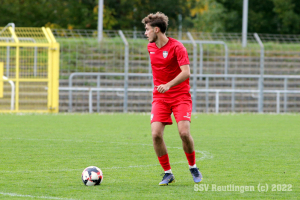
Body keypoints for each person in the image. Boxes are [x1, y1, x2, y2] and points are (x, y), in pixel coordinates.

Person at [142, 12, 203, 186]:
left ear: (156, 29)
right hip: (160, 97)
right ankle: (168, 173)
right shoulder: (150, 47)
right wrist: (163, 88)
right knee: (155, 135)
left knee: (184, 133)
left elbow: (186, 72)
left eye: (147, 30)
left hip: (180, 96)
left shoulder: (178, 47)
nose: (145, 33)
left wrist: (168, 85)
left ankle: (193, 167)